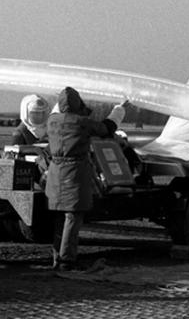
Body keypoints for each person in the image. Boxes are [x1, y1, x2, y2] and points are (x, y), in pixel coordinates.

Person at [45, 87, 127, 271]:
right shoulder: (82, 122)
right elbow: (107, 128)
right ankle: (67, 260)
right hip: (74, 173)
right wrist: (119, 110)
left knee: (60, 215)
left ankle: (57, 258)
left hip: (55, 173)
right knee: (73, 216)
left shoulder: (51, 121)